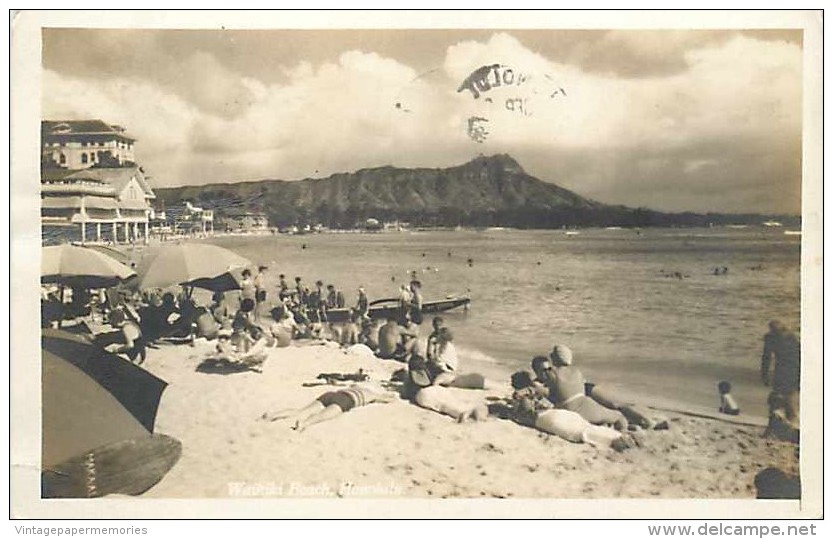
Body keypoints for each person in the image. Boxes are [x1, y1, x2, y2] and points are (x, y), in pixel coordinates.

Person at [508, 371, 640, 451]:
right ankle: (619, 437)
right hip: (561, 414)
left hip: (548, 417)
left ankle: (617, 440)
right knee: (586, 427)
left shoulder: (521, 396)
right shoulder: (534, 392)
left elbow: (527, 414)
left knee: (581, 432)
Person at [533, 348, 628, 431]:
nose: (546, 372)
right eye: (543, 370)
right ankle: (624, 433)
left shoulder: (552, 375)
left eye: (548, 368)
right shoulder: (576, 372)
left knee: (608, 413)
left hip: (574, 407)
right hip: (583, 406)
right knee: (618, 416)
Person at [261, 382, 397, 432]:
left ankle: (273, 415)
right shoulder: (372, 394)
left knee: (301, 410)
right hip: (347, 400)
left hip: (332, 394)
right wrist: (392, 395)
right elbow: (388, 399)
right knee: (321, 416)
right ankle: (304, 424)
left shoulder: (355, 386)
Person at [405, 354, 488, 423]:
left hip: (421, 396)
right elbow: (443, 376)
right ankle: (466, 414)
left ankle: (465, 413)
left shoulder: (410, 382)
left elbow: (406, 393)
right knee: (454, 404)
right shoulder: (431, 370)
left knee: (446, 406)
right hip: (435, 390)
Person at [761, 320, 800, 425]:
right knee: (791, 397)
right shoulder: (792, 338)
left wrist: (765, 375)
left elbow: (766, 358)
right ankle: (791, 422)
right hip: (793, 368)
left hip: (784, 368)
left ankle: (777, 422)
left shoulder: (771, 338)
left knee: (779, 396)